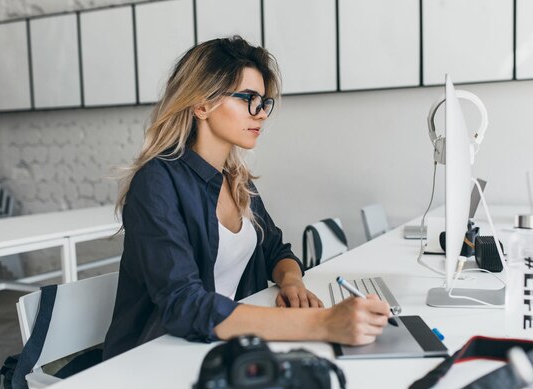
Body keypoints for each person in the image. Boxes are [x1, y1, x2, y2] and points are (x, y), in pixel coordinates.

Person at [103, 36, 391, 360]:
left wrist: (292, 281)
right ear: (201, 104)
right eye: (248, 99)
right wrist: (320, 323)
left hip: (220, 348)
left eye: (264, 102)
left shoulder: (236, 181)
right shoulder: (157, 182)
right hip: (155, 357)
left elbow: (275, 250)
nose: (261, 114)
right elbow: (184, 305)